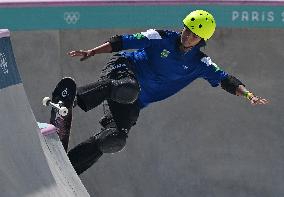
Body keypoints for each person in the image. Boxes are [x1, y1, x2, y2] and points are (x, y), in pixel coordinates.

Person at [67, 10, 269, 175]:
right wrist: (92, 51)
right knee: (128, 89)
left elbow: (227, 80)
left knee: (114, 139)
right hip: (123, 70)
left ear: (201, 40)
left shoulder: (201, 63)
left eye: (194, 35)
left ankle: (70, 167)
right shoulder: (161, 37)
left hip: (134, 101)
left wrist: (248, 95)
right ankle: (72, 100)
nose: (187, 36)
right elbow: (123, 41)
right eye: (187, 30)